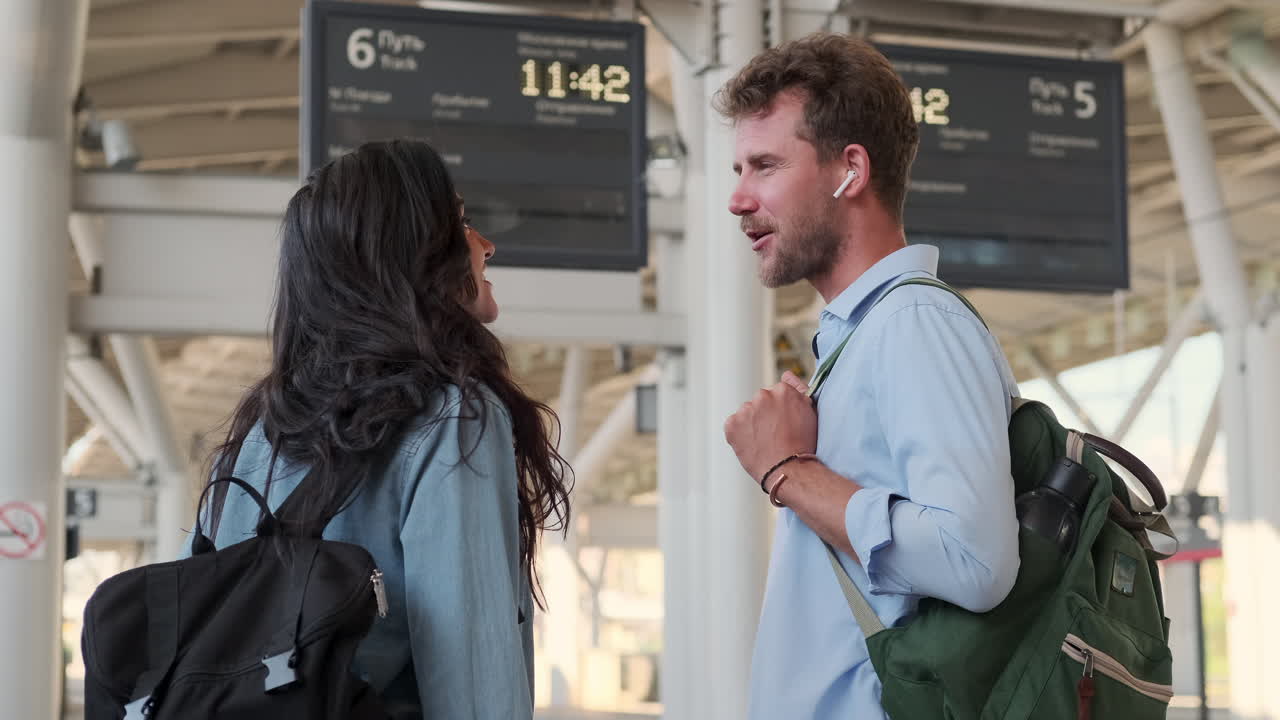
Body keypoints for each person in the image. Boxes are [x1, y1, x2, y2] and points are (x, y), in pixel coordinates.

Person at [180, 140, 571, 719]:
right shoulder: (454, 418)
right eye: (461, 223)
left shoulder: (258, 435)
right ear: (414, 255)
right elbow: (472, 684)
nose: (485, 244)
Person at [718, 33, 1021, 719]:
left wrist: (788, 470)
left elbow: (975, 561)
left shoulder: (914, 323)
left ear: (848, 170)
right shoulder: (865, 337)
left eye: (764, 166)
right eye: (739, 168)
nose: (738, 198)